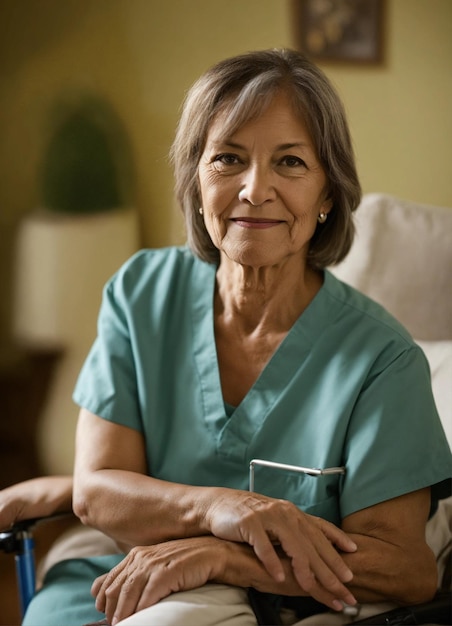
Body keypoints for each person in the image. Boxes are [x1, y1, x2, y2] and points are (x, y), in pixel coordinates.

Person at [11, 48, 451, 626]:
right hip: (121, 577)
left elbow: (406, 569)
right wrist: (225, 508)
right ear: (197, 181)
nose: (254, 188)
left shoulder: (382, 359)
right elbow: (99, 492)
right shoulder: (141, 292)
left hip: (285, 604)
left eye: (290, 162)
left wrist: (225, 557)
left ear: (327, 196)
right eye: (228, 158)